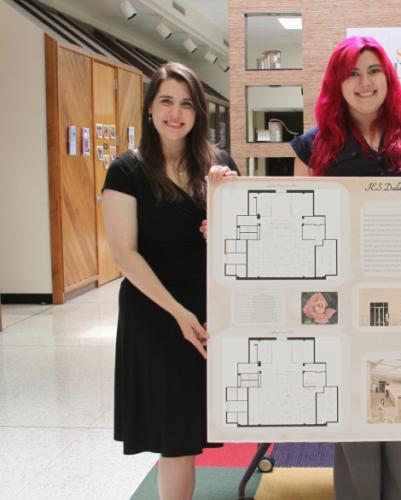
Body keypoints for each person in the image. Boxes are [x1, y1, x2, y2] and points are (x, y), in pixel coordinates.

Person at [290, 35, 401, 500]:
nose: (364, 82)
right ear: (336, 84)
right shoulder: (313, 145)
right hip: (342, 297)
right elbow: (303, 227)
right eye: (352, 73)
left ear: (388, 76)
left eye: (373, 70)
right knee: (354, 406)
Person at [101, 62, 238, 500]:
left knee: (192, 431)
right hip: (156, 311)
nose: (175, 113)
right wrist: (179, 314)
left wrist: (221, 221)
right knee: (175, 438)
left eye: (186, 103)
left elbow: (244, 244)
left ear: (198, 112)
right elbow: (125, 253)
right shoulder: (126, 170)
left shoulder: (219, 166)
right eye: (166, 101)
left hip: (208, 308)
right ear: (149, 107)